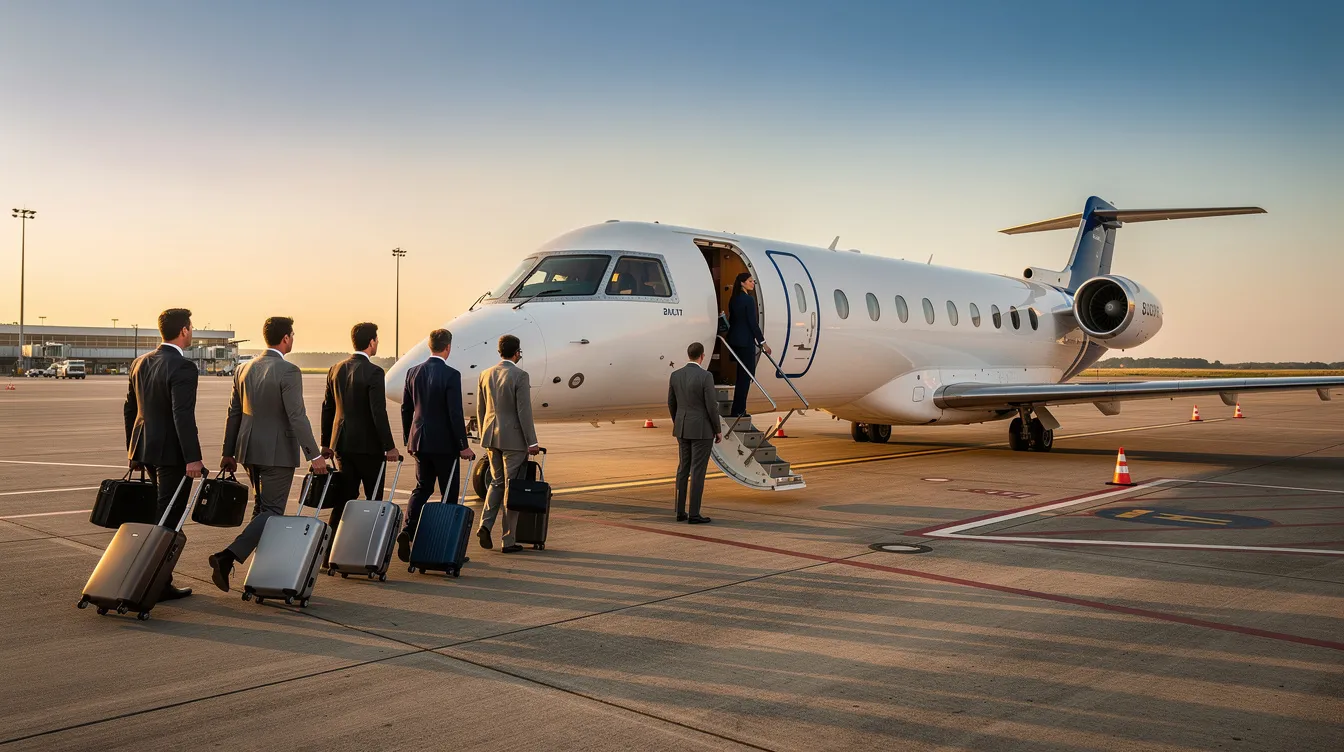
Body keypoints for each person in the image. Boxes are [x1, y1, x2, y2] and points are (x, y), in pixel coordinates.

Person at [208, 317, 327, 592]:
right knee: (273, 512)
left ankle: (255, 570)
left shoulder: (243, 369)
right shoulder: (289, 371)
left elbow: (233, 413)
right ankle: (227, 557)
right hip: (277, 453)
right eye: (292, 335)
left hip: (248, 450)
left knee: (261, 510)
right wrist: (314, 455)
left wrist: (228, 452)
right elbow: (297, 416)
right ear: (285, 338)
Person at [123, 307, 206, 601]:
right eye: (191, 327)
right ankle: (156, 582)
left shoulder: (140, 362)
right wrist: (192, 457)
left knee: (158, 514)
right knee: (169, 518)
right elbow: (182, 415)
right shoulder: (183, 367)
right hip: (171, 454)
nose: (192, 331)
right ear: (183, 330)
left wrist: (132, 449)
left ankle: (155, 577)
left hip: (145, 447)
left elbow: (130, 409)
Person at [320, 322, 400, 555]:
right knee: (373, 499)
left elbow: (328, 408)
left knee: (344, 499)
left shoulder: (335, 369)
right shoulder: (374, 372)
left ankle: (328, 552)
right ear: (372, 342)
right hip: (369, 448)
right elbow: (378, 412)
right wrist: (390, 447)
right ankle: (366, 550)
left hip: (342, 445)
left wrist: (326, 443)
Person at [397, 328, 474, 561]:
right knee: (448, 494)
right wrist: (463, 445)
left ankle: (408, 531)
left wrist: (408, 439)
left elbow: (406, 409)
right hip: (445, 446)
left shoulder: (413, 372)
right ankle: (444, 546)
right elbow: (454, 412)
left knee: (422, 489)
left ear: (429, 346)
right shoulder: (451, 375)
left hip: (419, 441)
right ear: (448, 347)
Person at [476, 334, 540, 554]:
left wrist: (486, 433)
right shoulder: (520, 375)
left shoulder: (485, 374)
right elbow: (524, 412)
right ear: (517, 353)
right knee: (512, 489)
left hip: (491, 437)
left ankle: (484, 524)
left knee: (496, 482)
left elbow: (481, 410)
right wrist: (532, 441)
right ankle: (508, 539)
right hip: (513, 440)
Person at [669, 342, 721, 524]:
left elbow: (671, 403)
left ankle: (680, 512)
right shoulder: (705, 376)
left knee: (683, 469)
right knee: (698, 471)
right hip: (701, 430)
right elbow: (711, 406)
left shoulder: (675, 375)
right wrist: (718, 430)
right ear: (702, 356)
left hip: (682, 428)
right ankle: (694, 514)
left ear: (688, 355)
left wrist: (679, 422)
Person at [726, 272, 771, 418]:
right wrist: (763, 343)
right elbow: (753, 323)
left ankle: (737, 409)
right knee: (746, 376)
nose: (753, 283)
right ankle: (739, 410)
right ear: (742, 283)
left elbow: (732, 321)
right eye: (750, 281)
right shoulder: (748, 300)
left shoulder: (733, 300)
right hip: (745, 342)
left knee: (741, 376)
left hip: (734, 340)